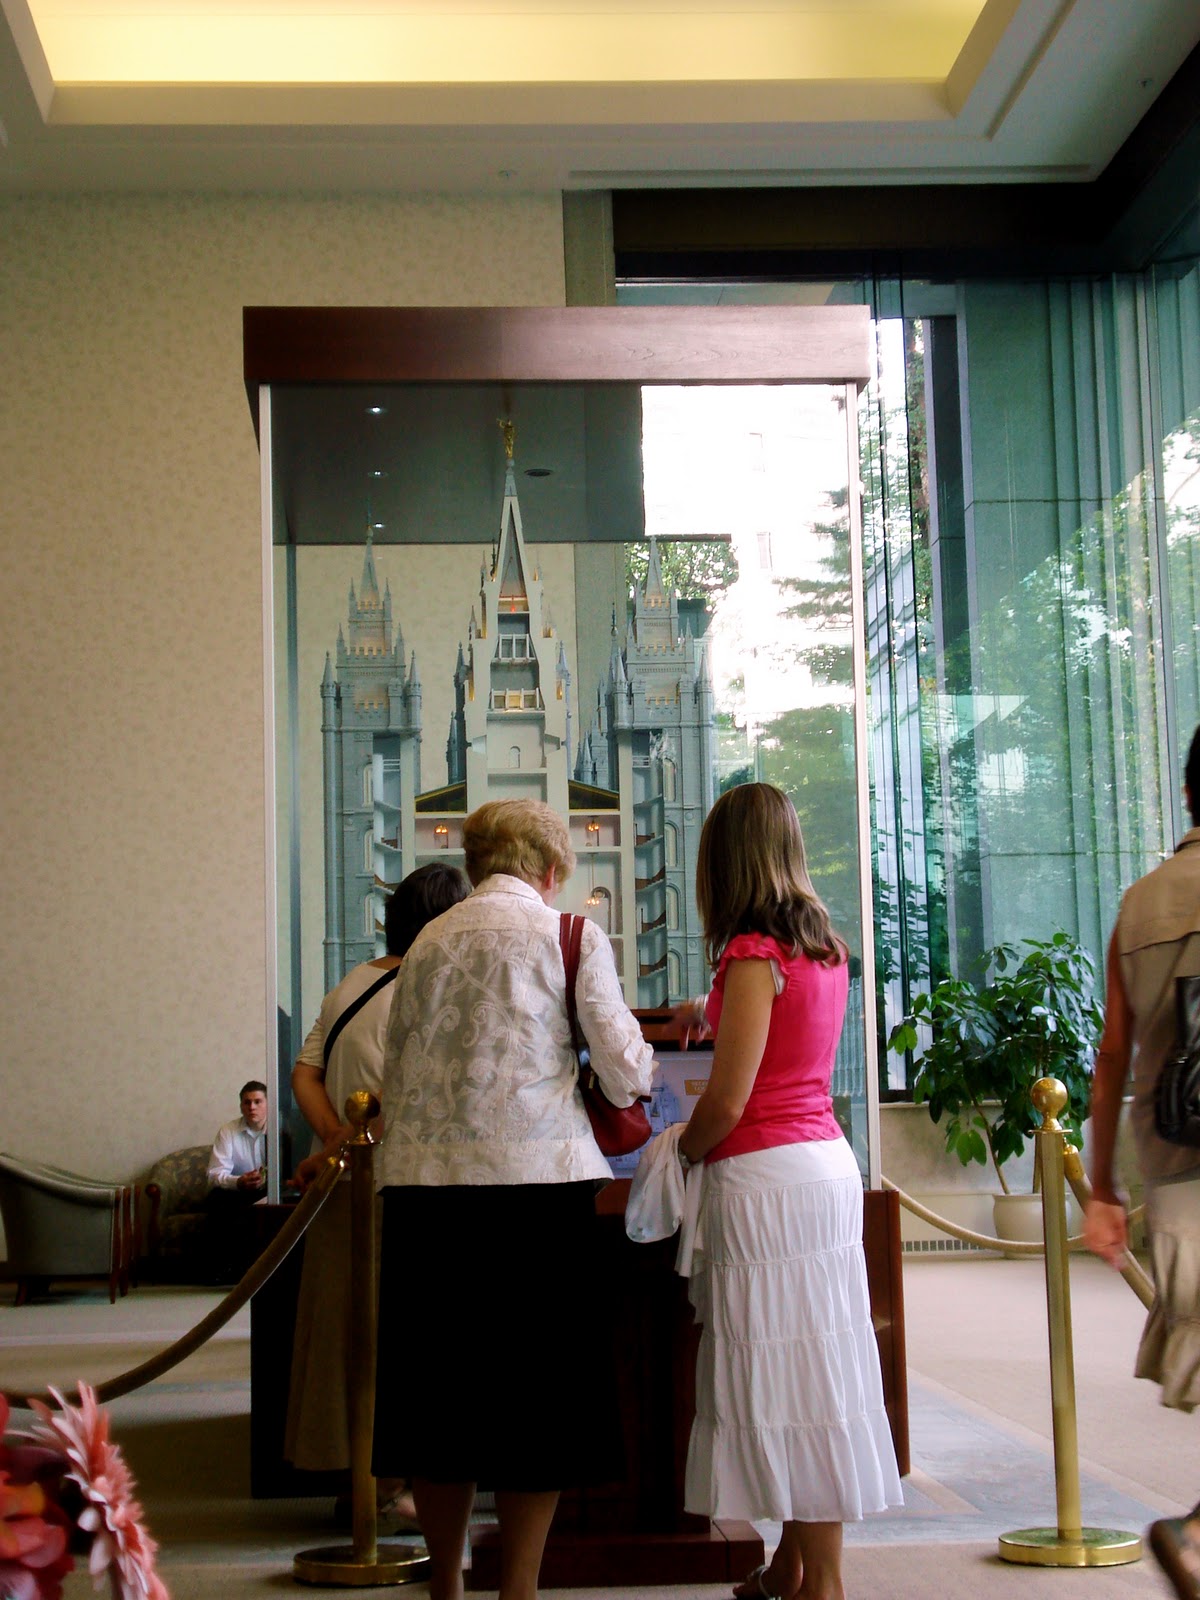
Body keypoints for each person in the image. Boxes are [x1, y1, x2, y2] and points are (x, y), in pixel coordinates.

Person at [372, 798, 654, 1600]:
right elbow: (624, 1064)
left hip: (428, 1193)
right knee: (541, 1397)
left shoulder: (427, 940)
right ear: (553, 868)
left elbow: (400, 1065)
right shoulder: (570, 936)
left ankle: (446, 1587)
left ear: (474, 865)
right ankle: (519, 1588)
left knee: (437, 1400)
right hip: (539, 1191)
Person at [672, 783, 901, 1600]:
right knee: (818, 1371)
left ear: (723, 863)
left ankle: (821, 1586)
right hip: (825, 1166)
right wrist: (707, 1008)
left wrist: (680, 1150)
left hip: (765, 1180)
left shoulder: (750, 955)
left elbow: (728, 1102)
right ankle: (798, 1569)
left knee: (781, 1377)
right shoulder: (825, 947)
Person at [284, 862, 470, 1511]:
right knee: (400, 1333)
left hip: (334, 1187)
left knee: (341, 1329)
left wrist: (331, 1144)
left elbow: (303, 1073)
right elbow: (417, 1094)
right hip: (394, 1184)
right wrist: (350, 1143)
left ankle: (355, 1475)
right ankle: (390, 1480)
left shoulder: (349, 985)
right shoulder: (428, 989)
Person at [1084, 726, 1200, 1600]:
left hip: (1177, 1167)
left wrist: (1103, 1187)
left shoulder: (1143, 900)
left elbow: (1114, 1057)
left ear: (1189, 797)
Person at [204, 1080, 270, 1281]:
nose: (252, 1107)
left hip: (269, 1190)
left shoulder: (281, 1126)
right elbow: (214, 1173)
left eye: (258, 1101)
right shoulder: (228, 1131)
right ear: (241, 1106)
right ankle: (222, 1271)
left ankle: (256, 1271)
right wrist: (238, 1182)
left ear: (268, 1103)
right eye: (247, 1102)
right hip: (239, 1189)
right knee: (217, 1199)